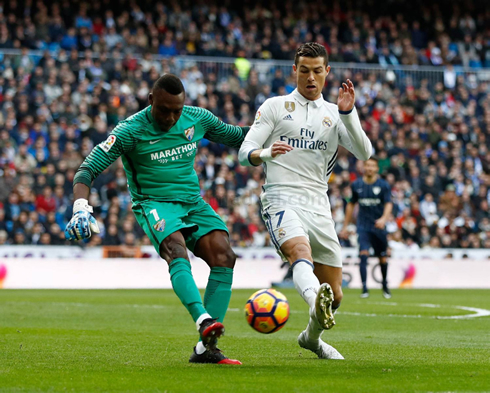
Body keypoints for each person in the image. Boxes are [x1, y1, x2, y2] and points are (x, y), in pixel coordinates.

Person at [65, 74, 249, 365]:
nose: (172, 117)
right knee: (176, 251)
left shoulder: (196, 118)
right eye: (164, 110)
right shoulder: (129, 131)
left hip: (192, 202)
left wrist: (276, 127)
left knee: (224, 256)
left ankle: (206, 350)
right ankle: (203, 320)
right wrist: (80, 206)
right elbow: (87, 169)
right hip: (154, 204)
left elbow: (237, 136)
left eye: (177, 110)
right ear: (151, 101)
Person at [238, 42, 372, 359]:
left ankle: (311, 338)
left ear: (327, 72)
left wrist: (349, 113)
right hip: (281, 197)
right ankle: (314, 302)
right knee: (300, 252)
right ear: (294, 71)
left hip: (318, 204)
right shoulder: (274, 107)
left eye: (317, 71)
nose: (311, 77)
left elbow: (365, 154)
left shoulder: (334, 114)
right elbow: (245, 153)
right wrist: (267, 153)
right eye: (304, 70)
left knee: (336, 295)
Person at [340, 158, 393, 299]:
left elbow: (388, 204)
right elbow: (351, 205)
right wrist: (345, 226)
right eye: (367, 165)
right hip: (363, 226)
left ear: (376, 169)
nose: (369, 168)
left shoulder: (383, 185)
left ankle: (385, 285)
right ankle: (364, 288)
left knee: (382, 257)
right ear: (364, 167)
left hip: (378, 226)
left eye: (372, 166)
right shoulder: (356, 185)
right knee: (363, 254)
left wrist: (383, 219)